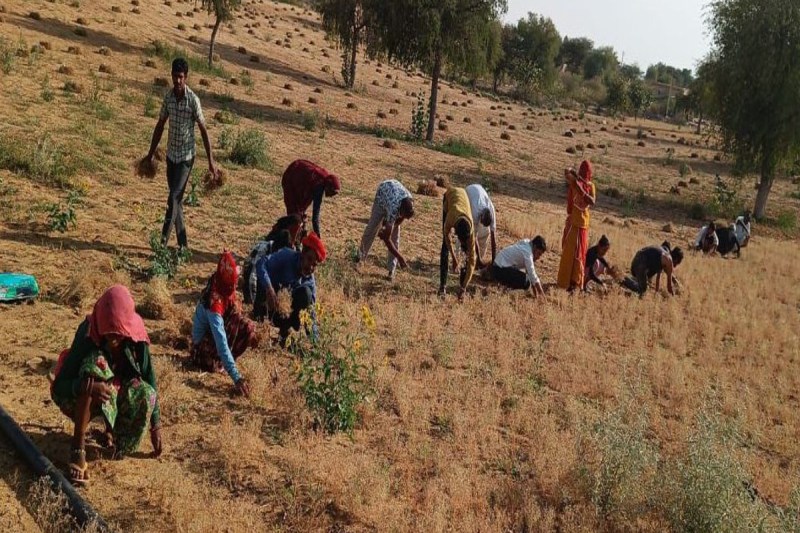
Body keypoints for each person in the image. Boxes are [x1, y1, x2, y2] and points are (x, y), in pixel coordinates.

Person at [50, 285, 162, 484]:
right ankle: (78, 449)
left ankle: (116, 438)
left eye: (118, 334)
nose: (113, 340)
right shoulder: (89, 331)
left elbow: (149, 376)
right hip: (82, 396)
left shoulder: (137, 337)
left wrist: (156, 426)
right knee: (97, 364)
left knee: (147, 393)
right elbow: (59, 387)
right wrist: (86, 387)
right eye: (109, 333)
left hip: (116, 394)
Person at [145, 57, 219, 250]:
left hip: (186, 158)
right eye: (174, 76)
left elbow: (203, 131)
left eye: (180, 77)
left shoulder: (193, 100)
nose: (177, 81)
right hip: (171, 157)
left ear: (186, 77)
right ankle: (183, 246)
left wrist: (211, 162)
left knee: (173, 199)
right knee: (176, 202)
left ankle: (161, 246)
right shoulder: (168, 98)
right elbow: (160, 125)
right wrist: (150, 154)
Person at [191, 251, 256, 398]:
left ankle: (225, 362)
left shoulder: (220, 281)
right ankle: (224, 364)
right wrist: (237, 377)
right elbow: (221, 342)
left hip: (211, 337)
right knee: (236, 327)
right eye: (233, 283)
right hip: (201, 351)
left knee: (247, 326)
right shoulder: (215, 304)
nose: (235, 286)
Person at [254, 232, 326, 344]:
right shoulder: (286, 256)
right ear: (303, 253)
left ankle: (284, 334)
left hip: (283, 314)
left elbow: (310, 312)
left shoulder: (309, 282)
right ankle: (259, 321)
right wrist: (269, 288)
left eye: (314, 265)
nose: (310, 267)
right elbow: (261, 264)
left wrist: (315, 341)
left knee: (305, 295)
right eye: (309, 259)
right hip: (267, 303)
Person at [357, 179, 415, 280]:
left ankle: (391, 270)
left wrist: (386, 231)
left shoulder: (409, 202)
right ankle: (359, 259)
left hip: (394, 192)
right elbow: (387, 240)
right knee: (371, 229)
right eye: (404, 216)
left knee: (395, 237)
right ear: (400, 210)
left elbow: (400, 220)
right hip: (382, 194)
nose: (404, 218)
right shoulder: (394, 207)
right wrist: (400, 257)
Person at [242, 214, 303, 305]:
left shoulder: (290, 251)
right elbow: (252, 276)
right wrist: (253, 303)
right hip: (251, 280)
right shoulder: (263, 249)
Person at [557, 161, 596, 291]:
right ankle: (567, 282)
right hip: (575, 224)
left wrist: (580, 188)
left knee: (577, 255)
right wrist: (574, 176)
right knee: (571, 254)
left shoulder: (589, 187)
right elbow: (566, 171)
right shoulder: (575, 184)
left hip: (581, 226)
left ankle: (574, 282)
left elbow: (592, 201)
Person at [281, 160, 341, 237]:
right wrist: (318, 236)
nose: (331, 196)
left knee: (299, 216)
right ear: (328, 187)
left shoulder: (323, 180)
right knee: (294, 217)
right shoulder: (319, 185)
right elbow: (315, 216)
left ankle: (295, 238)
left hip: (299, 180)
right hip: (291, 178)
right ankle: (287, 238)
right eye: (332, 193)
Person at [439, 187, 476, 300]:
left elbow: (472, 261)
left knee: (467, 255)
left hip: (463, 197)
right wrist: (454, 258)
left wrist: (464, 287)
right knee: (445, 247)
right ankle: (442, 287)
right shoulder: (451, 218)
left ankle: (461, 287)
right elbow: (447, 237)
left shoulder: (471, 232)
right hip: (450, 196)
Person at [465, 184, 497, 268]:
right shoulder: (474, 212)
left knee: (486, 234)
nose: (481, 224)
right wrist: (479, 260)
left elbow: (494, 239)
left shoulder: (492, 211)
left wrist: (494, 261)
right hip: (468, 193)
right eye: (482, 222)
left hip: (480, 189)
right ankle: (471, 259)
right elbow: (473, 237)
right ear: (481, 216)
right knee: (468, 234)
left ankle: (478, 259)